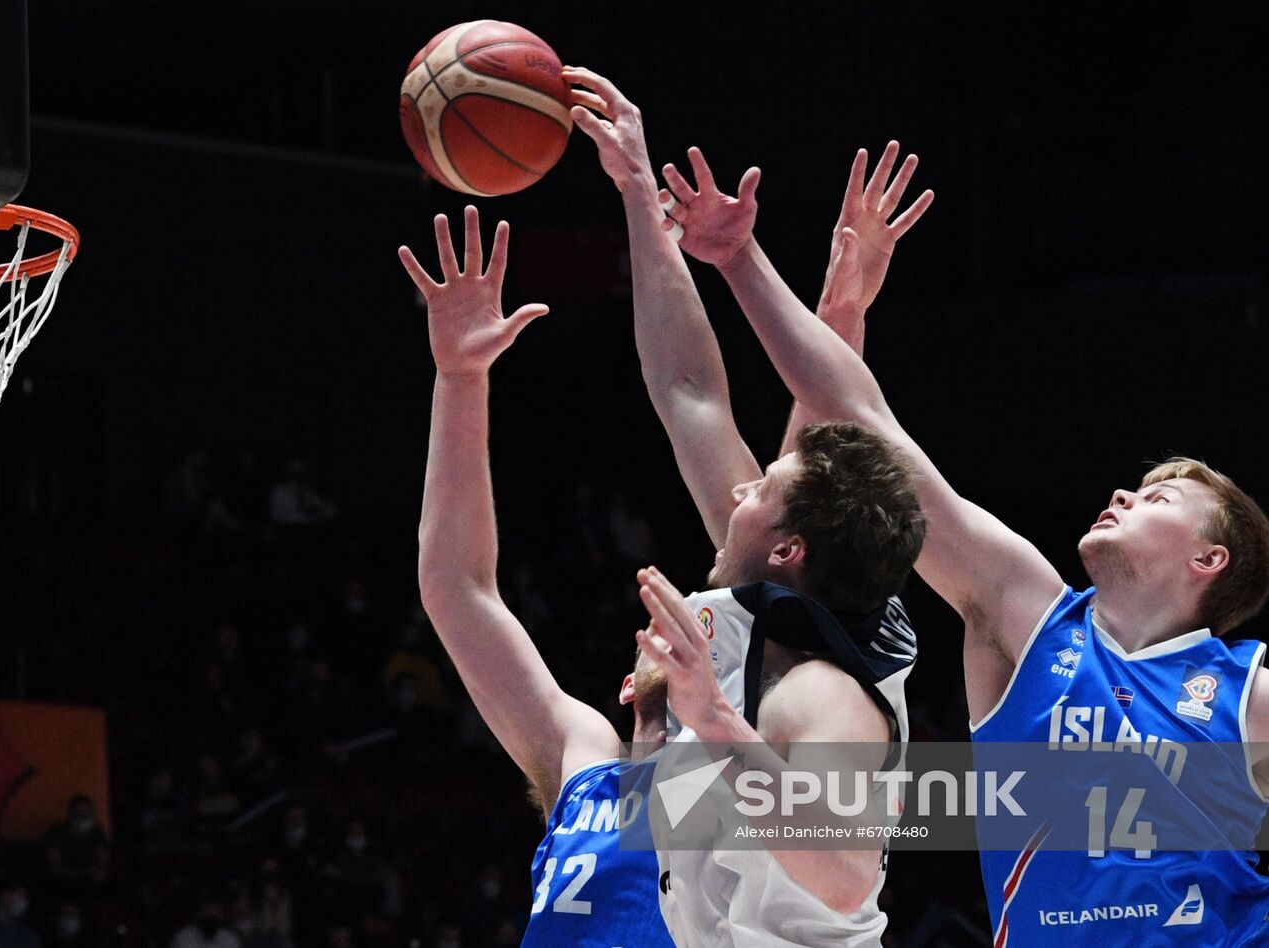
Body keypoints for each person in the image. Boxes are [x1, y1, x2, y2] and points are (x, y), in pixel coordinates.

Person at [663, 141, 1269, 945]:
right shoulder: (1028, 619)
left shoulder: (1246, 693)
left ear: (1209, 560)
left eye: (1158, 497)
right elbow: (863, 419)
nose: (1123, 494)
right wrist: (741, 261)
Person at [402, 184, 925, 944]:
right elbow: (457, 588)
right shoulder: (589, 767)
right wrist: (458, 380)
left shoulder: (781, 724)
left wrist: (839, 318)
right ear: (630, 682)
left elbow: (846, 869)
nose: (673, 634)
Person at [564, 64, 931, 945]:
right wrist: (634, 190)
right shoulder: (764, 619)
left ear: (789, 548)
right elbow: (688, 391)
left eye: (765, 488)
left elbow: (845, 874)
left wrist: (710, 718)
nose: (745, 484)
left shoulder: (828, 694)